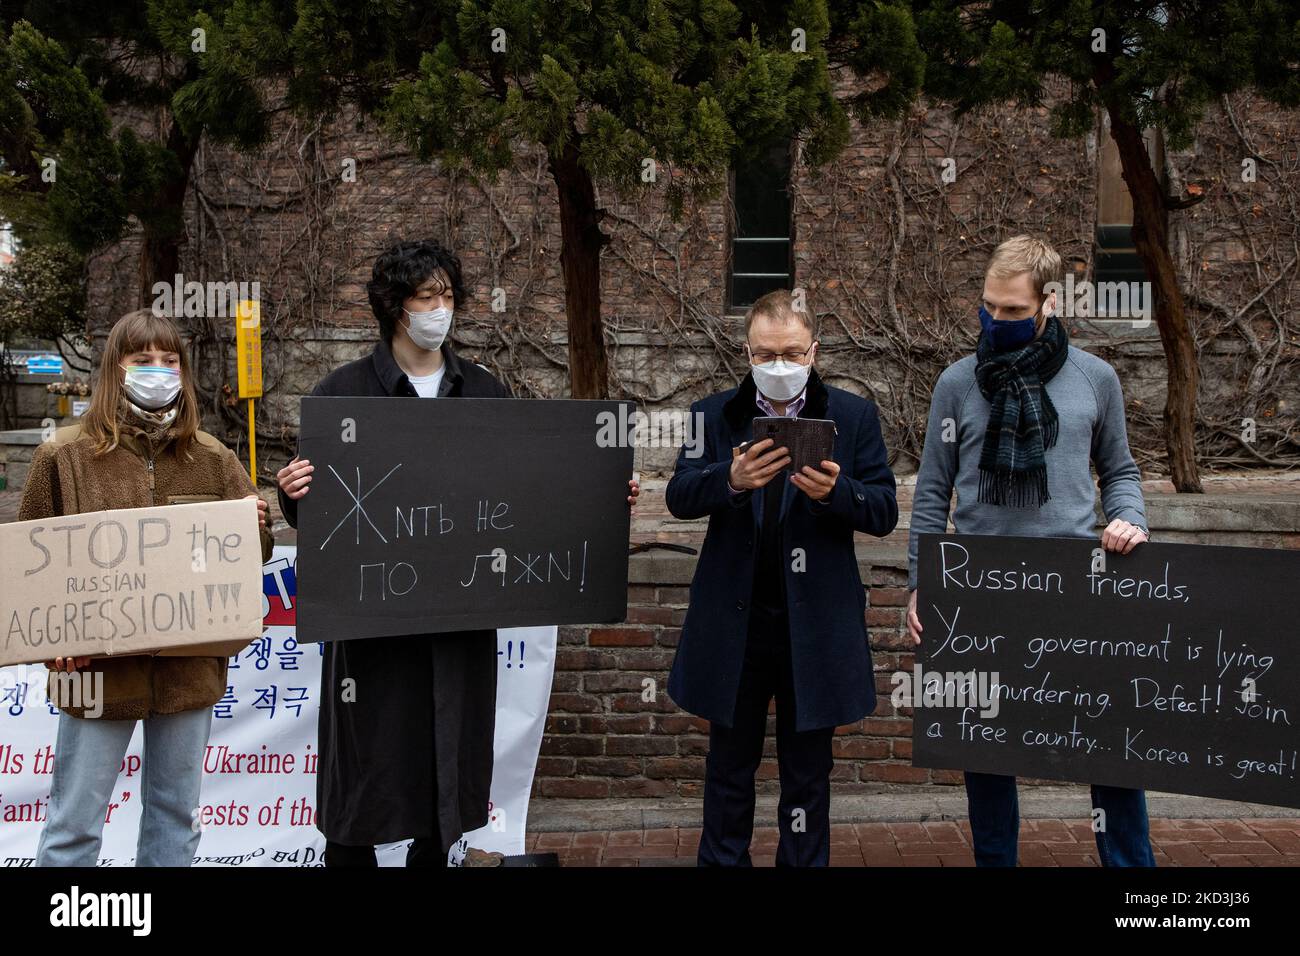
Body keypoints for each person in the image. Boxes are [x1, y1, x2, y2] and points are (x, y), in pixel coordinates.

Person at [277, 237, 638, 867]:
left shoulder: (484, 393)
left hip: (457, 630)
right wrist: (293, 491)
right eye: (426, 296)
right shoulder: (343, 393)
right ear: (394, 306)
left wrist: (600, 496)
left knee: (443, 775)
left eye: (447, 295)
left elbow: (523, 499)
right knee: (366, 777)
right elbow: (321, 514)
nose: (439, 308)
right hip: (373, 633)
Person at [906, 234, 1154, 867]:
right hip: (979, 592)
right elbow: (933, 493)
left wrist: (1129, 519)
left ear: (1048, 304)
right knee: (986, 752)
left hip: (1080, 587)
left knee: (1110, 746)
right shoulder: (957, 383)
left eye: (1013, 311)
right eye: (988, 306)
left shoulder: (1095, 378)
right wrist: (921, 581)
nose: (996, 320)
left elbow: (1119, 471)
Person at [20, 309, 274, 867]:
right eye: (143, 360)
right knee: (73, 824)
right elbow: (27, 568)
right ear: (116, 368)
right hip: (91, 673)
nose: (158, 371)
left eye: (170, 360)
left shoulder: (214, 458)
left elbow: (247, 562)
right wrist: (51, 642)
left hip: (187, 674)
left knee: (175, 818)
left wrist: (254, 529)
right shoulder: (63, 455)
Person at [665, 289, 898, 866]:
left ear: (813, 351)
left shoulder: (852, 415)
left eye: (791, 352)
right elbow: (679, 496)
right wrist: (732, 478)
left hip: (812, 624)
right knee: (727, 770)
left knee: (808, 776)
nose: (778, 366)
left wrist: (836, 493)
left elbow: (883, 509)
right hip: (736, 622)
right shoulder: (712, 414)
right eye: (765, 354)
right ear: (746, 352)